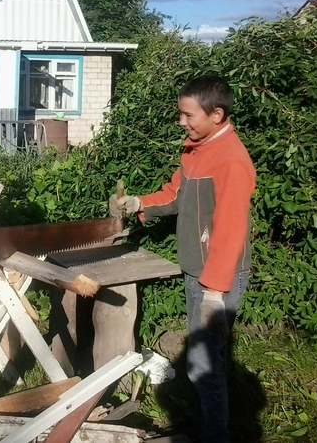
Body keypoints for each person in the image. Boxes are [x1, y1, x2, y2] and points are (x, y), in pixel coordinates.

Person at [108, 74, 256, 443]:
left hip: (218, 277)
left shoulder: (231, 159)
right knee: (203, 361)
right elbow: (176, 193)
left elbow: (231, 229)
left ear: (216, 115)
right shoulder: (196, 149)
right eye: (181, 113)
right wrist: (139, 203)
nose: (181, 121)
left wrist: (214, 292)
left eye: (189, 115)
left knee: (204, 363)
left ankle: (215, 435)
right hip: (198, 271)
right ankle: (207, 426)